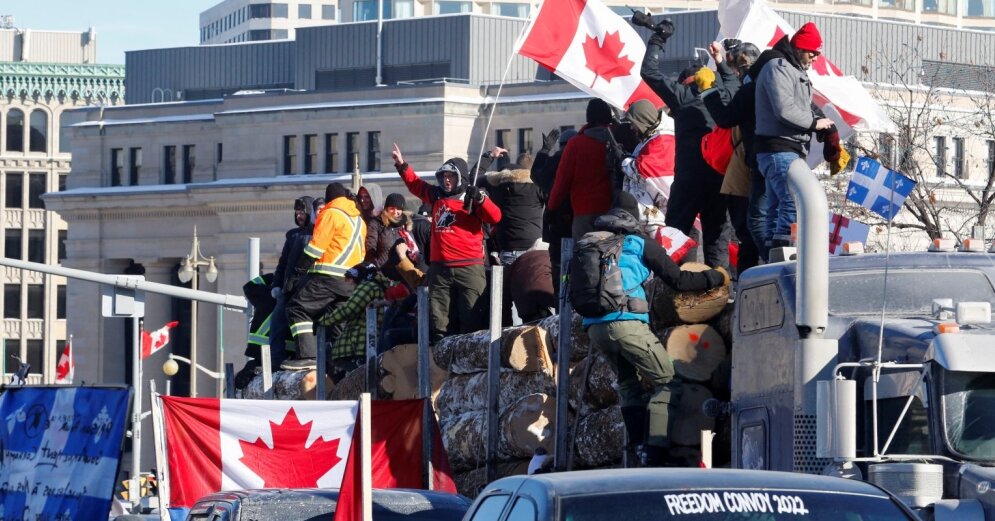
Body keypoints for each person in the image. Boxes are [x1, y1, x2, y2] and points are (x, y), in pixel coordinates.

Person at [583, 191, 729, 466]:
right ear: (633, 218)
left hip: (594, 328)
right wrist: (715, 277)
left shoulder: (589, 243)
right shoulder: (639, 244)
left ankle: (637, 446)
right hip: (626, 323)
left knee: (628, 384)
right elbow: (680, 281)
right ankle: (655, 450)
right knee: (666, 380)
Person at [639, 19, 731, 269]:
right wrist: (723, 62)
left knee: (674, 238)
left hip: (689, 178)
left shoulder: (682, 96)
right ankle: (721, 293)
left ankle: (667, 292)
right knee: (717, 242)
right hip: (721, 180)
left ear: (684, 82)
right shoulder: (726, 95)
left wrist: (658, 40)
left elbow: (649, 72)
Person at [392, 143, 502, 342]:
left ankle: (469, 360)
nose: (446, 180)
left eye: (450, 176)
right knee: (439, 320)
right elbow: (415, 184)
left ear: (459, 177)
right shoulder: (436, 196)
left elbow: (495, 216)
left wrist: (481, 199)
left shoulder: (471, 198)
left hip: (469, 268)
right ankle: (441, 361)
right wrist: (402, 165)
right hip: (440, 270)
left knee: (472, 317)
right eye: (443, 177)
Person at [753, 22, 836, 248]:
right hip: (780, 150)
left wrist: (818, 123)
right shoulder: (778, 68)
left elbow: (797, 107)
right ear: (799, 48)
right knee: (793, 202)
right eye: (813, 52)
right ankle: (784, 255)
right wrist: (813, 123)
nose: (816, 57)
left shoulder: (788, 69)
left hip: (781, 150)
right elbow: (784, 110)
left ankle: (770, 257)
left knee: (776, 206)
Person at [282, 182, 367, 370]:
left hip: (328, 276)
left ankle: (307, 356)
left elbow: (315, 248)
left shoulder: (330, 213)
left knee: (297, 308)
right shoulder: (358, 219)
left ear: (329, 198)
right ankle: (342, 366)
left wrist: (298, 271)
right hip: (349, 281)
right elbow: (361, 252)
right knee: (337, 322)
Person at [700, 40, 766, 269]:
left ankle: (750, 280)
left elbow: (726, 115)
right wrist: (719, 61)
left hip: (742, 173)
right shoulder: (768, 86)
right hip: (759, 168)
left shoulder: (747, 91)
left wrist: (708, 91)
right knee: (758, 229)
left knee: (749, 232)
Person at [480, 152, 544, 325]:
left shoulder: (498, 189)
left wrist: (489, 156)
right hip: (536, 249)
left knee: (510, 297)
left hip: (509, 251)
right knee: (538, 291)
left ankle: (511, 333)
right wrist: (543, 154)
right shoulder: (536, 188)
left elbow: (473, 178)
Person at [548, 99, 618, 240]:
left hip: (584, 211)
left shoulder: (576, 143)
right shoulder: (617, 140)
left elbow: (562, 180)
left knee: (584, 254)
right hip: (614, 208)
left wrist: (552, 207)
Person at [318, 263, 389, 383]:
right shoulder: (375, 285)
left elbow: (349, 309)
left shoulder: (367, 286)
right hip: (364, 337)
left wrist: (323, 320)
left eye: (349, 278)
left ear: (358, 277)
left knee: (330, 353)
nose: (346, 282)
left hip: (361, 339)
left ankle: (361, 375)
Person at [269, 196, 318, 367]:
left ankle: (303, 358)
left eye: (302, 212)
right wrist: (276, 285)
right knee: (277, 327)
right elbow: (283, 264)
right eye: (297, 212)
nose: (299, 216)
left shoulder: (316, 234)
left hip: (306, 289)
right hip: (287, 289)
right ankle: (277, 363)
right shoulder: (292, 236)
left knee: (302, 328)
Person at [531, 128, 576, 302]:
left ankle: (561, 306)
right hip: (579, 223)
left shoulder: (556, 160)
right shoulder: (582, 158)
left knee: (560, 273)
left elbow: (536, 175)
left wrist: (544, 151)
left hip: (557, 225)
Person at [235, 272, 276, 389]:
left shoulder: (267, 293)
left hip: (260, 347)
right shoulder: (297, 294)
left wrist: (273, 276)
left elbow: (249, 286)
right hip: (285, 348)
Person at [364, 192, 411, 274]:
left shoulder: (407, 225)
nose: (395, 211)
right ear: (386, 209)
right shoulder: (377, 224)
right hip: (382, 273)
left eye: (398, 208)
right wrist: (376, 269)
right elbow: (370, 249)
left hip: (404, 274)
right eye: (392, 208)